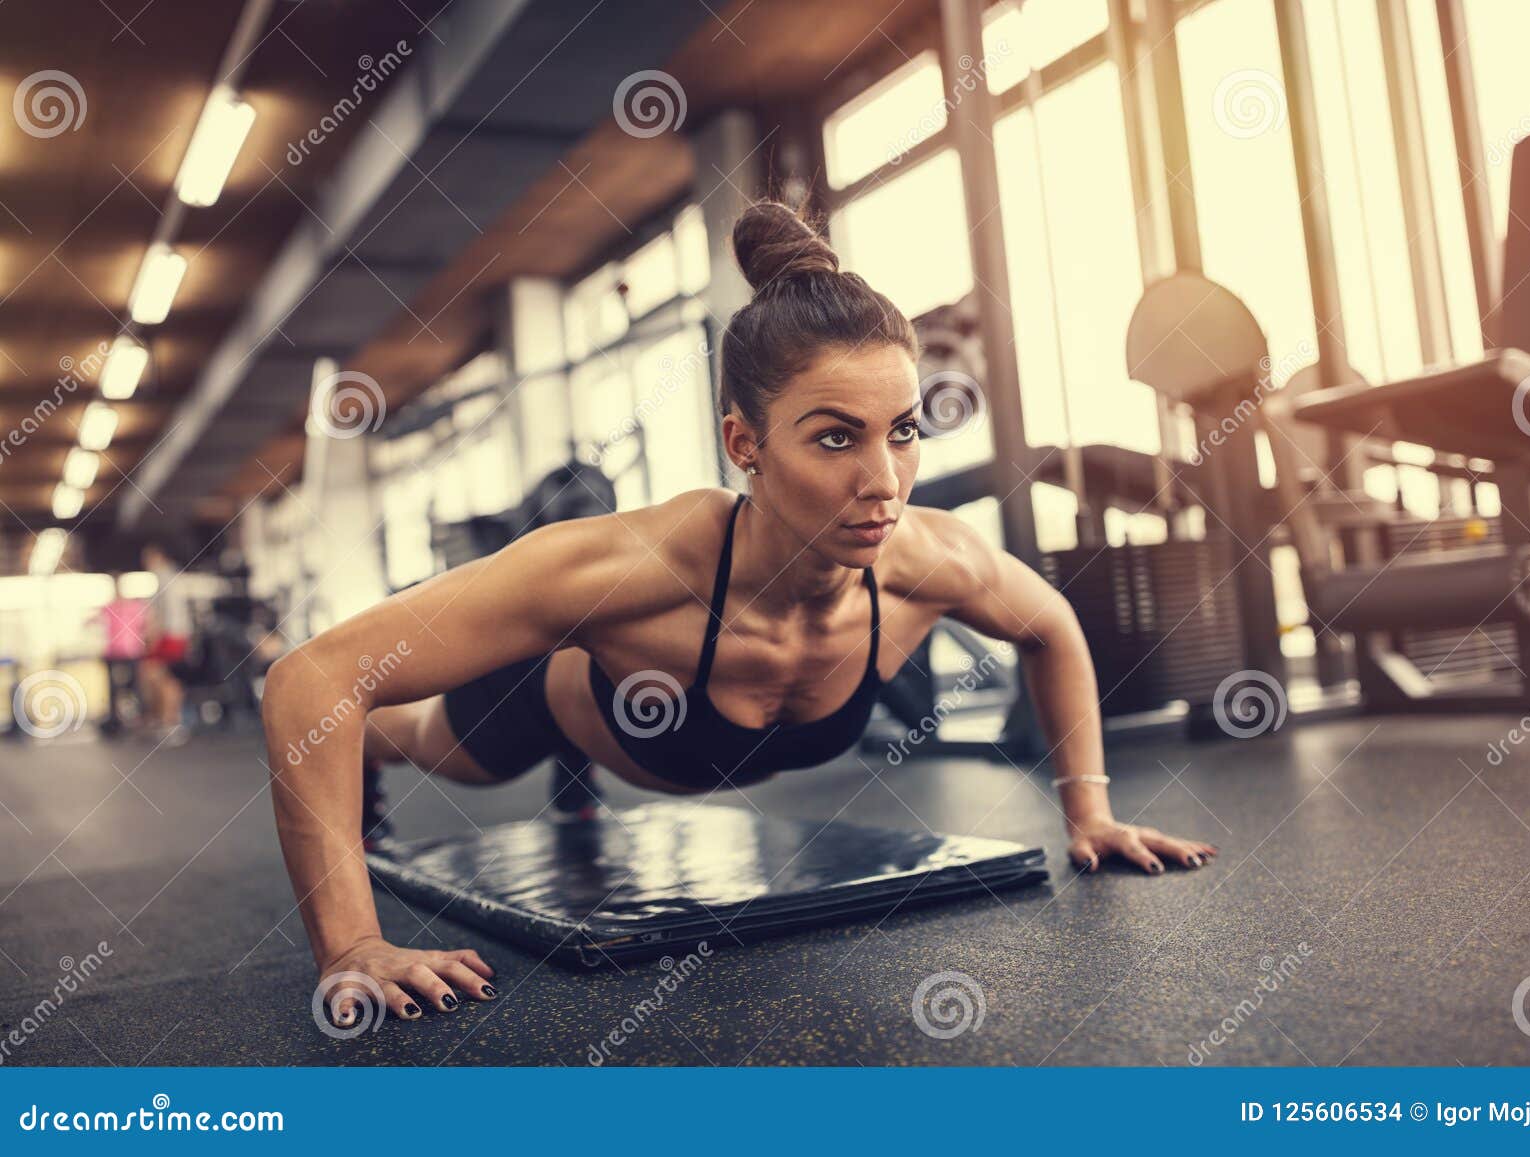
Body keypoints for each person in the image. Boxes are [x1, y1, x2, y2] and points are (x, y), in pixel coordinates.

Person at [263, 201, 1220, 1028]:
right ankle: (397, 761)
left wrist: (1087, 810)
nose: (882, 481)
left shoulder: (929, 560)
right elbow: (310, 678)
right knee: (430, 738)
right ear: (743, 441)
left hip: (667, 731)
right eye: (835, 438)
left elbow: (1050, 626)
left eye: (902, 433)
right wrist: (351, 942)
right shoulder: (622, 567)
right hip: (547, 699)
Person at [140, 544, 193, 746]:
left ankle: (169, 723)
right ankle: (168, 722)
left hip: (169, 635)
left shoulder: (163, 577)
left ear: (157, 556)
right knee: (166, 678)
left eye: (147, 558)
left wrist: (153, 638)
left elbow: (161, 612)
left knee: (159, 677)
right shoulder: (174, 576)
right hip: (178, 634)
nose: (145, 563)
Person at [93, 574, 148, 734]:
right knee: (132, 687)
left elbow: (91, 622)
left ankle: (121, 718)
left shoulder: (110, 607)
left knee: (118, 688)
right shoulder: (134, 606)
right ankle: (132, 717)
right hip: (128, 651)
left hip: (118, 651)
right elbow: (145, 625)